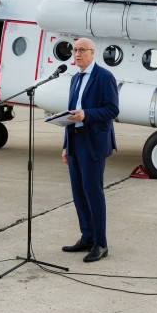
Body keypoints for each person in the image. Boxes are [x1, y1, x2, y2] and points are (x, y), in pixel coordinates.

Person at [60, 38, 119, 262]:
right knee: (78, 193)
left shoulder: (104, 77)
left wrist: (87, 114)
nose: (76, 54)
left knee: (93, 192)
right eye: (74, 50)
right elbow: (70, 112)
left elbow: (112, 109)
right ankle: (87, 236)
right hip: (74, 141)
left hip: (93, 142)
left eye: (81, 50)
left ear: (93, 53)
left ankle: (101, 243)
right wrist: (65, 145)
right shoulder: (75, 78)